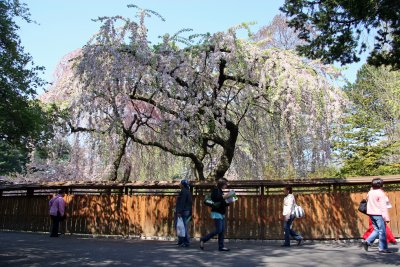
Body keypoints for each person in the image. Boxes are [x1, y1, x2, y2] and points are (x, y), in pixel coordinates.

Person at [200, 178, 231, 251]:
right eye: (226, 184)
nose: (226, 186)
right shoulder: (215, 190)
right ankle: (203, 239)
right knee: (218, 229)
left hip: (222, 212)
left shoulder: (220, 191)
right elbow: (215, 199)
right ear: (222, 184)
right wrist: (224, 196)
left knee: (222, 230)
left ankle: (221, 246)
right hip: (216, 212)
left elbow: (221, 202)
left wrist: (229, 200)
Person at [362, 178, 392, 253]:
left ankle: (367, 242)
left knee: (377, 230)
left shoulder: (370, 192)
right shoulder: (380, 193)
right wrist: (386, 218)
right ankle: (382, 248)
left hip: (371, 214)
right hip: (378, 214)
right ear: (381, 184)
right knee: (382, 231)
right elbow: (383, 207)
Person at [175, 179, 192, 247]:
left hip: (183, 211)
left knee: (183, 226)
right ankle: (181, 241)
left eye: (180, 183)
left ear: (183, 184)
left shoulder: (184, 191)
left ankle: (186, 242)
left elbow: (182, 202)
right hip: (186, 210)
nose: (179, 184)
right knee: (181, 226)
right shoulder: (187, 191)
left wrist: (179, 211)